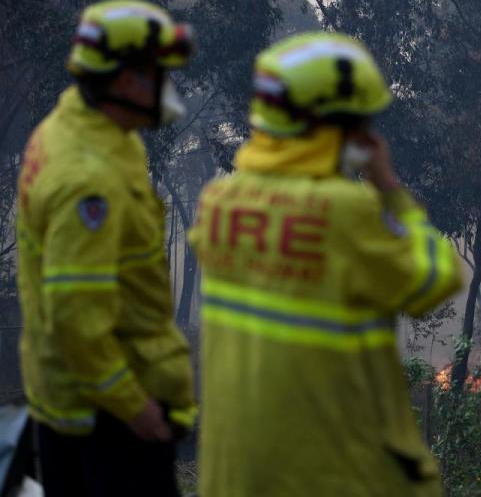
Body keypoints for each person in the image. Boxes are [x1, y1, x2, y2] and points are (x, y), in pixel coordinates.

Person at [189, 32, 463, 497]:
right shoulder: (345, 211)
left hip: (234, 477)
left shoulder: (219, 203)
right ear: (337, 126)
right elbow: (436, 279)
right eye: (363, 124)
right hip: (334, 476)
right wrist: (390, 189)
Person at [16, 0, 197, 497]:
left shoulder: (71, 130)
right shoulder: (88, 179)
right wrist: (137, 409)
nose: (166, 84)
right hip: (108, 418)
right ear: (123, 80)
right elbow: (76, 314)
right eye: (156, 72)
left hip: (83, 406)